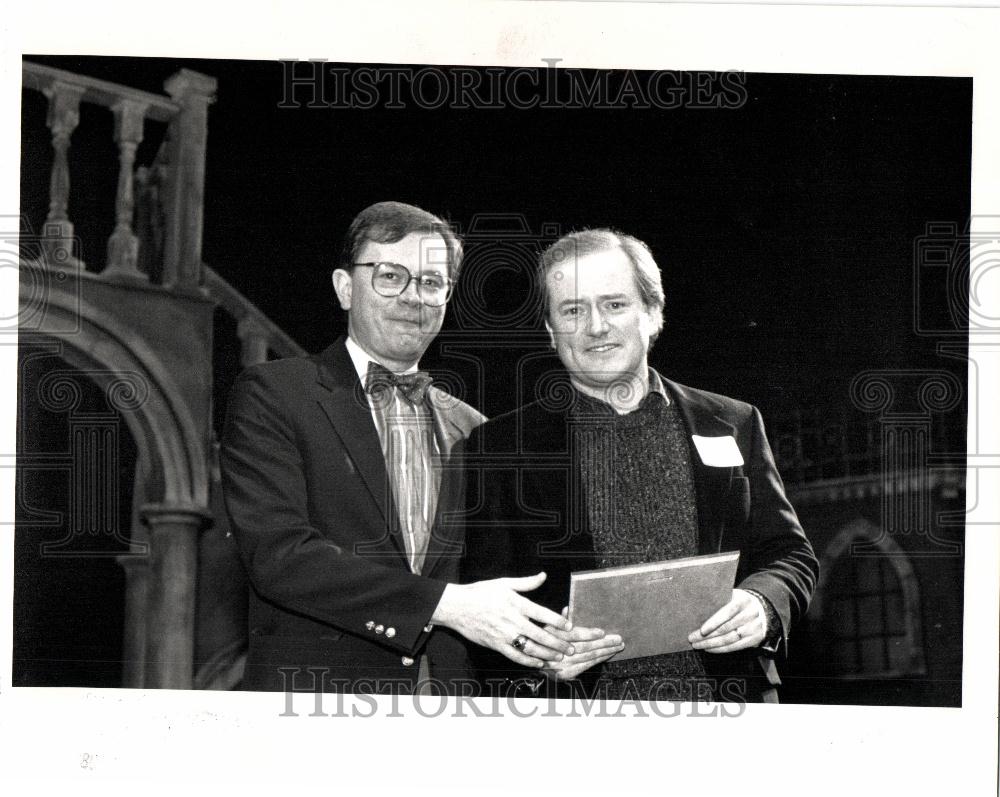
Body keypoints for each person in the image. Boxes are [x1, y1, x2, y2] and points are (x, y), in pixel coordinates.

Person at [220, 201, 577, 695]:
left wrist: (558, 646)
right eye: (391, 276)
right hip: (313, 708)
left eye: (432, 282)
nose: (413, 297)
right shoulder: (273, 395)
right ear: (345, 288)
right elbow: (280, 557)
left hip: (452, 714)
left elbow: (499, 579)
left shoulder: (474, 429)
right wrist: (442, 605)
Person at [462, 229, 819, 703]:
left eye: (613, 305)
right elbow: (482, 603)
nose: (595, 327)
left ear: (652, 314)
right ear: (550, 331)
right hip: (576, 726)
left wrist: (762, 604)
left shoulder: (733, 422)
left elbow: (790, 555)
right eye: (572, 310)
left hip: (732, 710)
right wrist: (538, 655)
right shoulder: (499, 447)